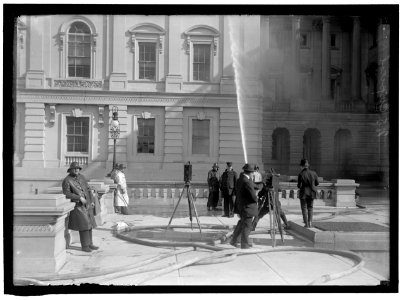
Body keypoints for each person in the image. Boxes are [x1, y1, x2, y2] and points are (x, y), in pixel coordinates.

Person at [62, 162, 99, 252]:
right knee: (84, 226)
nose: (76, 170)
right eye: (74, 168)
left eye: (78, 168)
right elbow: (66, 193)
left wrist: (92, 201)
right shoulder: (67, 180)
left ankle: (90, 244)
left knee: (89, 225)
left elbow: (88, 189)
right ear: (70, 170)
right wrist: (79, 197)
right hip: (78, 206)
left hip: (88, 205)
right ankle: (85, 246)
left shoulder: (82, 177)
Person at [230, 163, 258, 249]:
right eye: (253, 172)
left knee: (242, 223)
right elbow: (254, 197)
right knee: (247, 226)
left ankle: (234, 240)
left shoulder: (240, 179)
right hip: (248, 207)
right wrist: (257, 195)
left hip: (241, 206)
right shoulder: (247, 182)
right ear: (251, 172)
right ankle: (244, 245)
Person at [297, 159, 319, 228]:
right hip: (312, 192)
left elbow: (299, 185)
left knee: (304, 208)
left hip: (304, 193)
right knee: (310, 208)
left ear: (302, 166)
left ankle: (306, 224)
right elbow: (317, 183)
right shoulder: (314, 173)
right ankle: (310, 223)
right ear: (307, 165)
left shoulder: (301, 174)